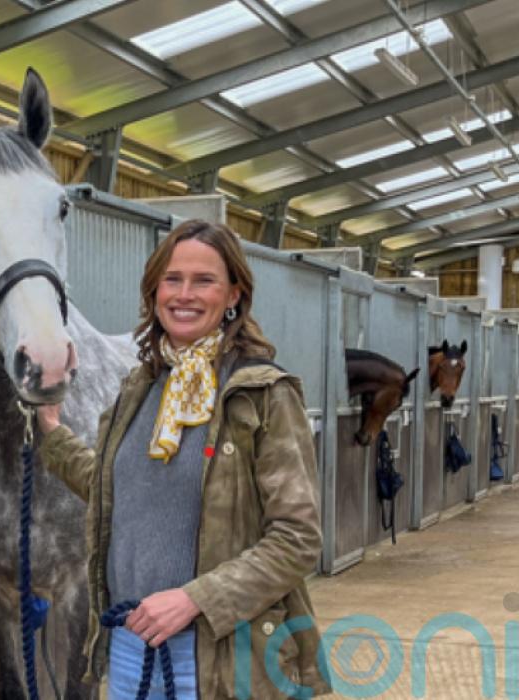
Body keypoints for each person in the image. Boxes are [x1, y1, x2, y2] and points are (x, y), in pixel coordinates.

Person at [36, 220, 329, 699]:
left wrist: (195, 598)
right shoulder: (141, 388)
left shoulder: (263, 394)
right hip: (130, 648)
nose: (184, 294)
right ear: (154, 292)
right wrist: (52, 434)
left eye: (204, 280)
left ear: (233, 294)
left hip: (218, 659)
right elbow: (116, 489)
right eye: (172, 279)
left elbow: (297, 539)